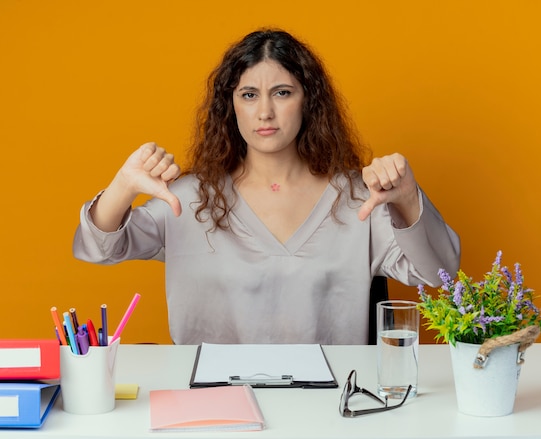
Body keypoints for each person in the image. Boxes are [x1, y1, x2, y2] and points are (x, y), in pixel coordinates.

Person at [73, 29, 460, 345]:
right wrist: (123, 185)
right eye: (249, 95)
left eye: (282, 93)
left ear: (309, 102)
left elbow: (439, 272)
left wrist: (407, 197)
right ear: (231, 107)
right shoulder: (188, 198)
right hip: (214, 407)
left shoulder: (359, 199)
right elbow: (97, 248)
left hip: (333, 408)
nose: (265, 112)